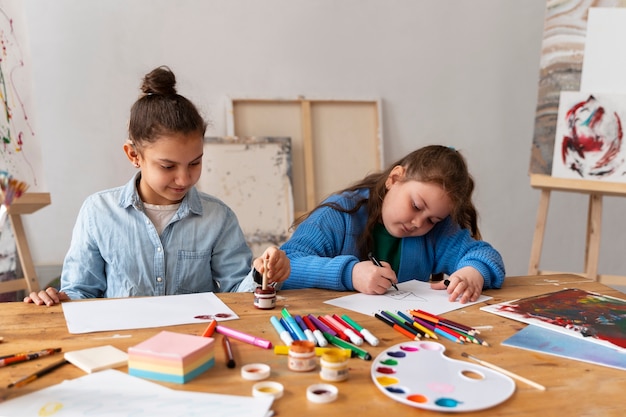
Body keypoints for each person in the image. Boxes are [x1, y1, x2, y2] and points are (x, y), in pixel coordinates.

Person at [25, 66, 290, 306]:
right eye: (168, 166)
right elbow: (80, 293)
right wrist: (54, 299)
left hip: (196, 344)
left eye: (195, 163)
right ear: (133, 156)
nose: (184, 179)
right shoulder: (98, 212)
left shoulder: (218, 217)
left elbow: (237, 297)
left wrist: (261, 275)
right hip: (122, 345)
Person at [280, 145, 504, 303]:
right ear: (394, 179)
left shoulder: (436, 232)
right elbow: (286, 265)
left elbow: (485, 255)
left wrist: (473, 273)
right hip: (334, 334)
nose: (418, 222)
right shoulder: (338, 215)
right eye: (416, 205)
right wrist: (350, 274)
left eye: (432, 219)